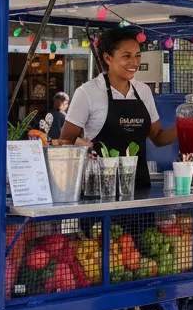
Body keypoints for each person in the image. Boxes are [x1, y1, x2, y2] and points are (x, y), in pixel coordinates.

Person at [59, 27, 176, 191]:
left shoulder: (143, 91)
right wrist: (85, 150)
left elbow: (157, 138)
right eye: (126, 56)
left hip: (139, 188)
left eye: (137, 56)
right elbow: (66, 140)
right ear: (108, 58)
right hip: (100, 190)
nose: (134, 62)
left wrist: (187, 125)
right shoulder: (87, 92)